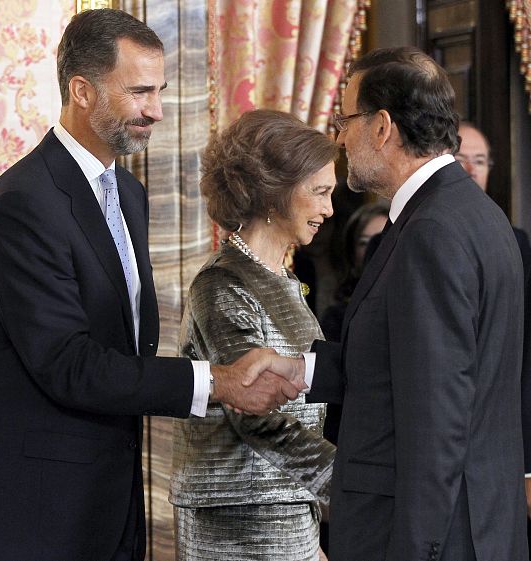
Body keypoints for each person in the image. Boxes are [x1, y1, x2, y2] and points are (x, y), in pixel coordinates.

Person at [0, 9, 301, 561]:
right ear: (81, 91)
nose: (154, 110)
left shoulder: (126, 195)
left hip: (108, 502)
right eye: (138, 92)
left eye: (159, 91)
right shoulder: (24, 202)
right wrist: (217, 382)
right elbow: (68, 363)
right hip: (31, 513)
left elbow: (123, 344)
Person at [265, 47, 528, 560]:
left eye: (345, 119)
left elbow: (436, 417)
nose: (339, 137)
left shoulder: (431, 230)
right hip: (478, 526)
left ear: (382, 126)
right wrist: (300, 370)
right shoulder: (477, 213)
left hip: (431, 536)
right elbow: (402, 362)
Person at [169, 109, 337, 561]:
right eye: (320, 192)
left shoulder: (278, 277)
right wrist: (349, 483)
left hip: (282, 509)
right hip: (237, 517)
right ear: (272, 195)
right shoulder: (223, 283)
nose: (329, 209)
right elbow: (254, 409)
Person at [456, 121, 531, 551]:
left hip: (502, 441)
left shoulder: (515, 242)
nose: (470, 169)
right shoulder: (407, 232)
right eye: (461, 159)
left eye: (479, 161)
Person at [319, 200, 389, 345]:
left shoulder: (413, 306)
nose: (373, 249)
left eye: (383, 240)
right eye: (364, 242)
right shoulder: (337, 318)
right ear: (352, 251)